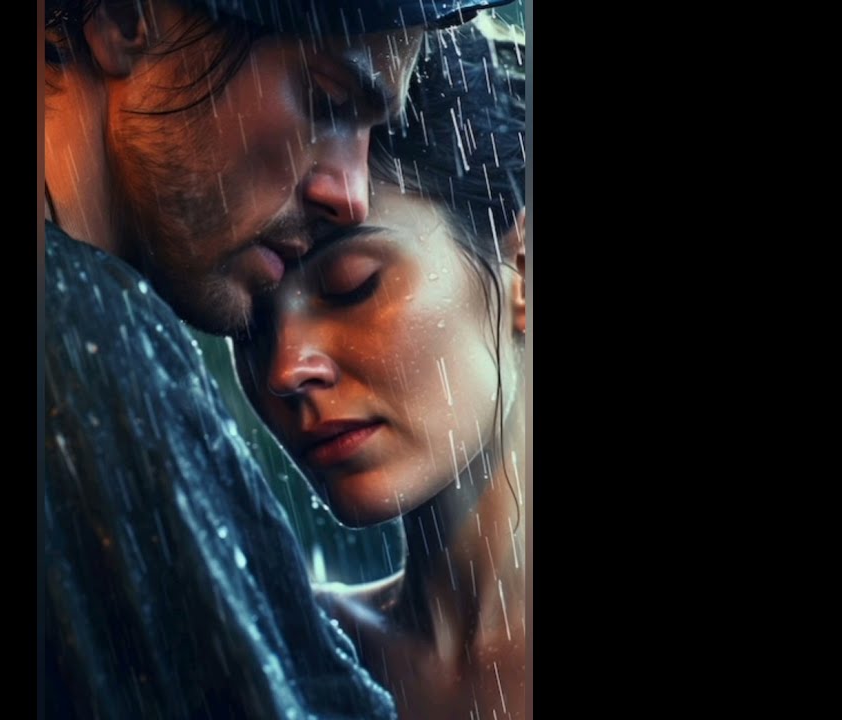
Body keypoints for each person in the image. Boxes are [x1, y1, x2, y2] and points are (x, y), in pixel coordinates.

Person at [41, 2, 512, 717]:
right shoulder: (84, 335)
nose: (350, 194)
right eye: (327, 101)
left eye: (351, 287)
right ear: (125, 16)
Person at [230, 21, 527, 719]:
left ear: (520, 267)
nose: (284, 369)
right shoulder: (279, 647)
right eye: (248, 326)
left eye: (351, 286)